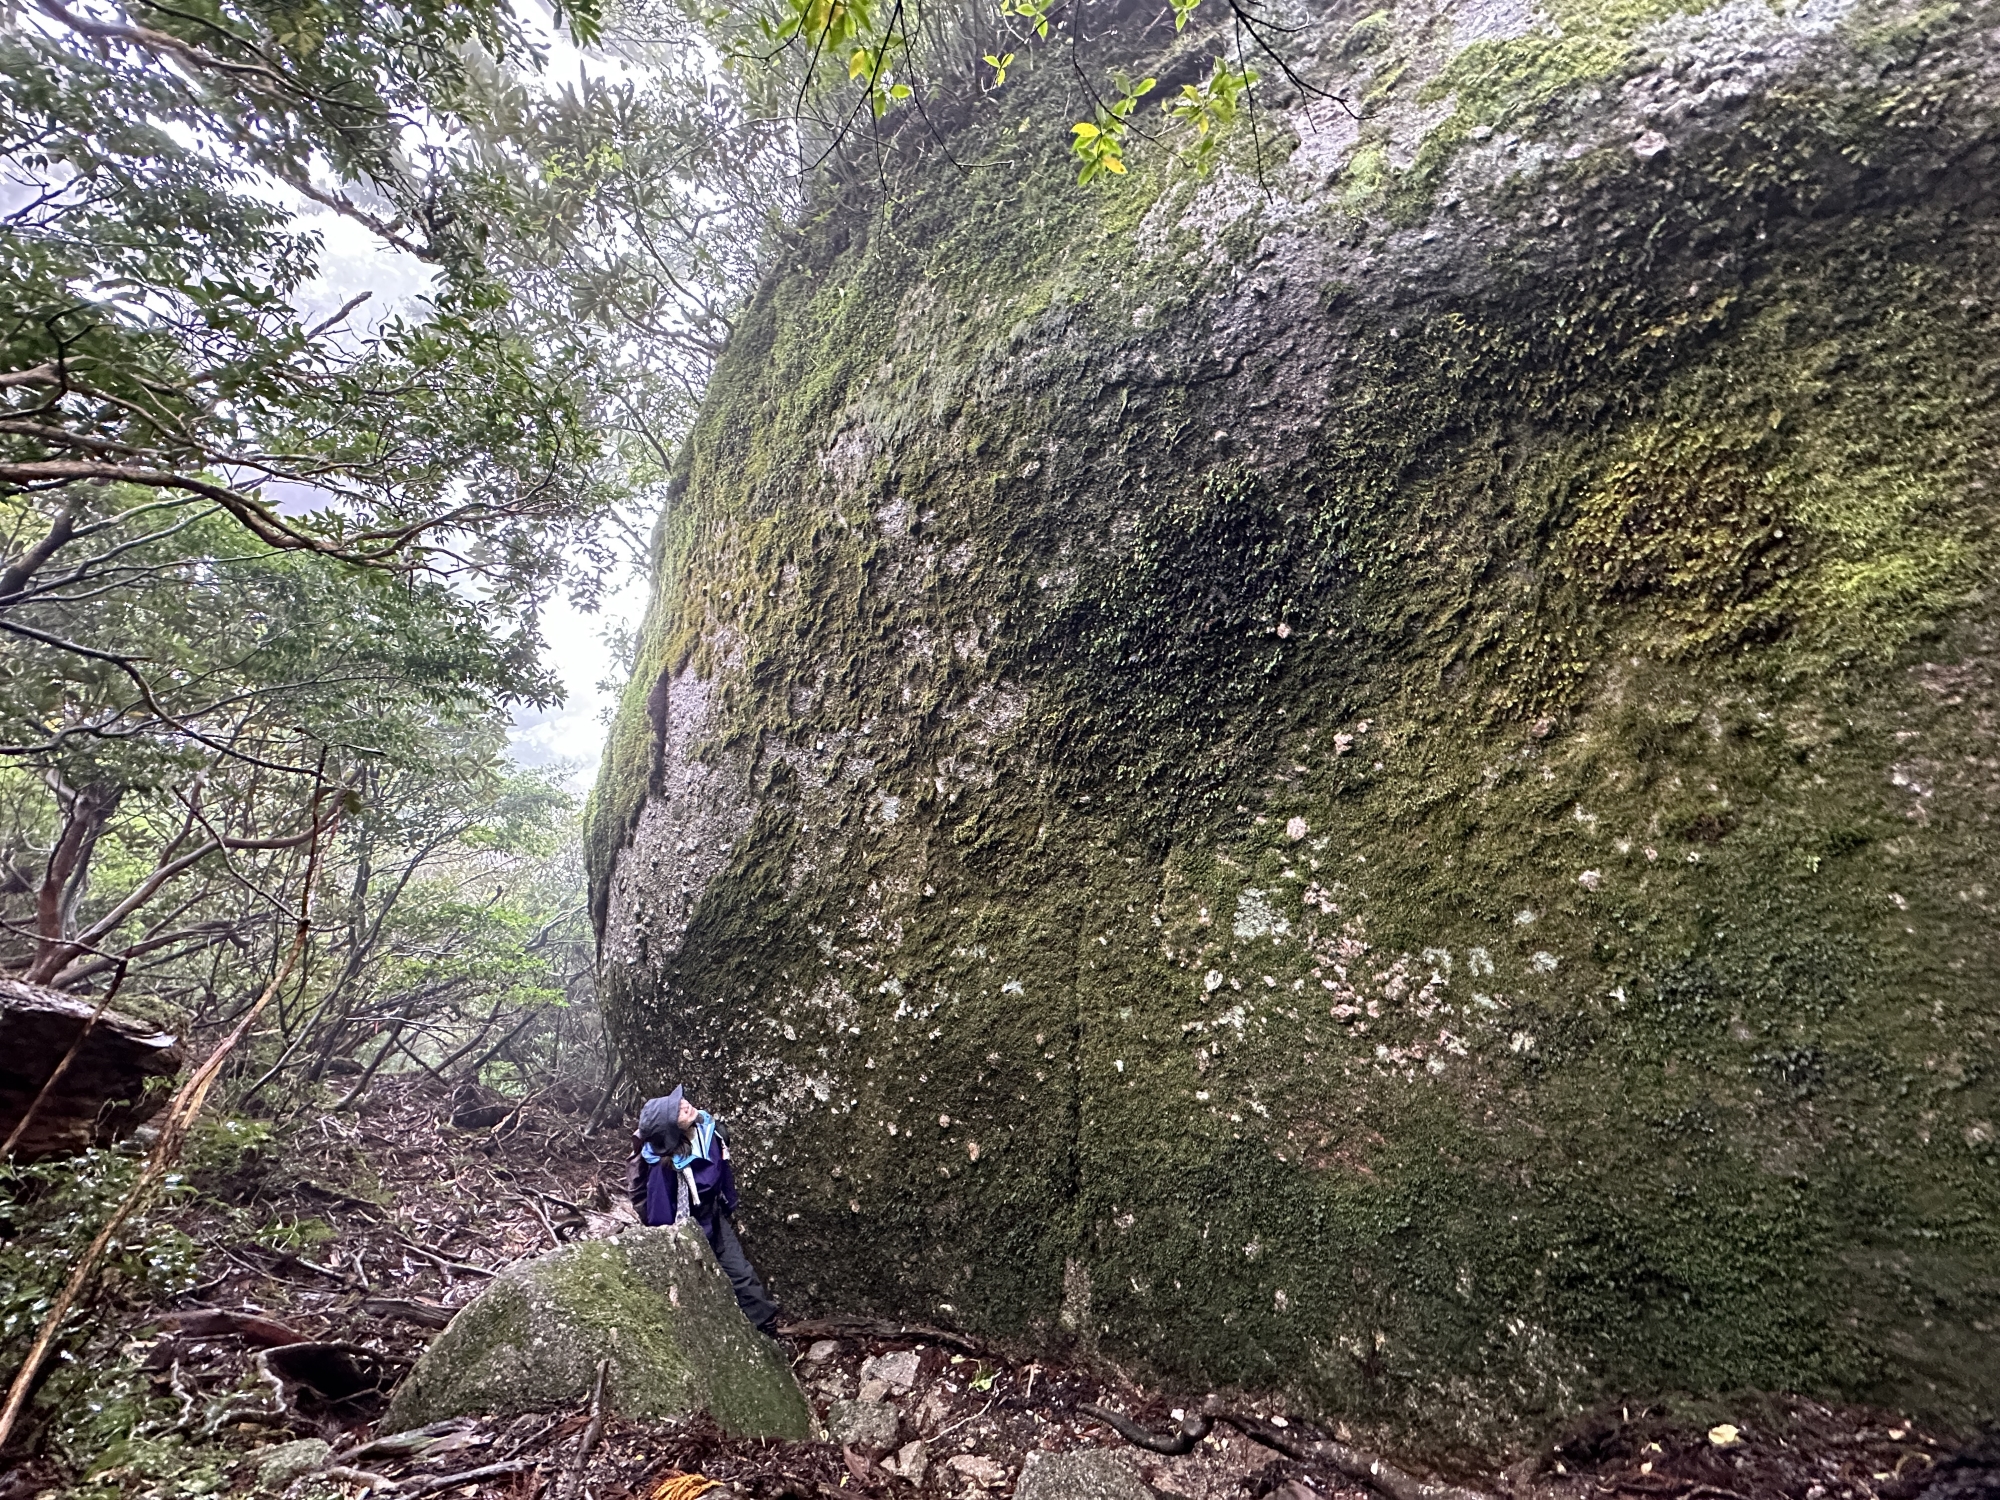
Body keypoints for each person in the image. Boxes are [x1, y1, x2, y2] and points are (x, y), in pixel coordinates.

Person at [627, 1085, 781, 1337]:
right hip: (689, 1231)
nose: (684, 1104)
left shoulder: (708, 1130)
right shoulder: (665, 1169)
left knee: (741, 1275)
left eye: (680, 1101)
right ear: (671, 1131)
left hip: (713, 1217)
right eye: (676, 1110)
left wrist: (728, 1205)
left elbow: (721, 1175)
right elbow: (661, 1220)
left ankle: (765, 1330)